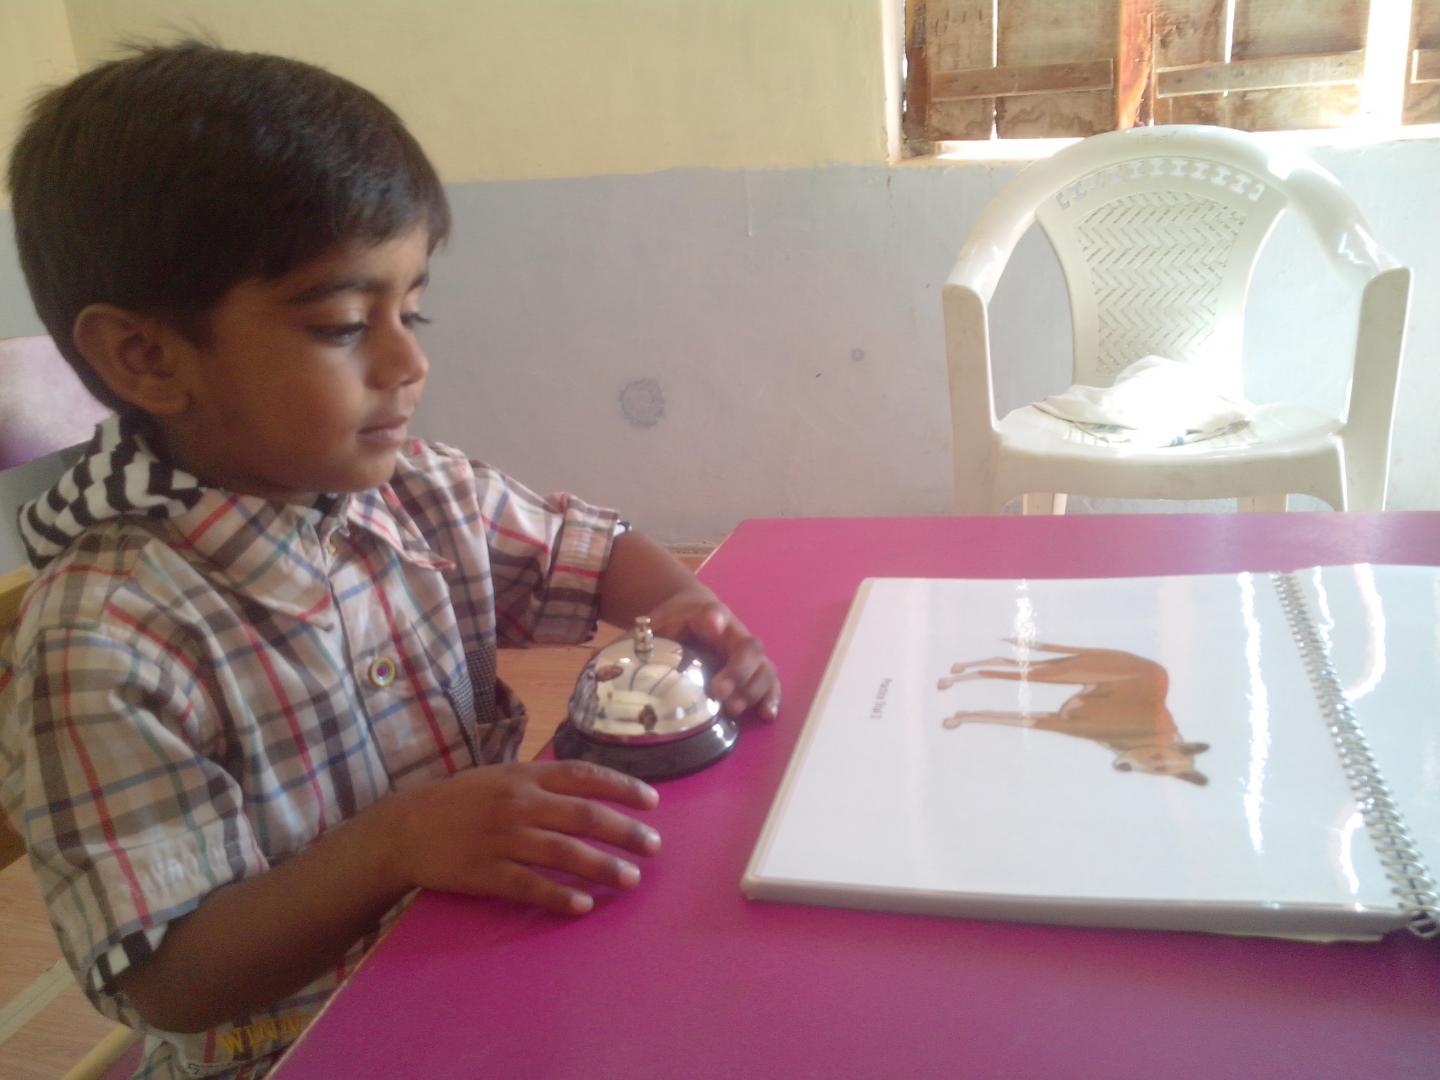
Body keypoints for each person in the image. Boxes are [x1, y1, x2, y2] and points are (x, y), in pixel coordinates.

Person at [0, 41, 779, 1079]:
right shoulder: (103, 643)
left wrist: (686, 610)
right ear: (147, 356)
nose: (410, 361)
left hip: (485, 978)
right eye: (340, 325)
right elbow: (170, 979)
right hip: (298, 1049)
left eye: (412, 311)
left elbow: (591, 553)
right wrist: (395, 846)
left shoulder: (420, 488)